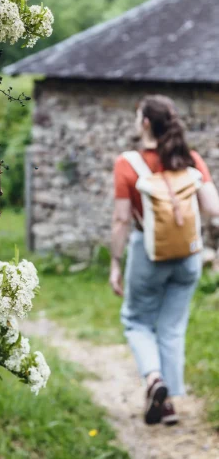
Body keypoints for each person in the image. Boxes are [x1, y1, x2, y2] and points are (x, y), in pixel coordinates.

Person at [109, 95, 219, 426]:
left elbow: (121, 220)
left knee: (137, 320)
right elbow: (214, 210)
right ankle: (167, 401)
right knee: (172, 327)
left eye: (136, 115)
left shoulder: (127, 163)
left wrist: (115, 262)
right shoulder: (190, 159)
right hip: (188, 255)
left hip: (148, 253)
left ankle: (154, 380)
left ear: (145, 123)